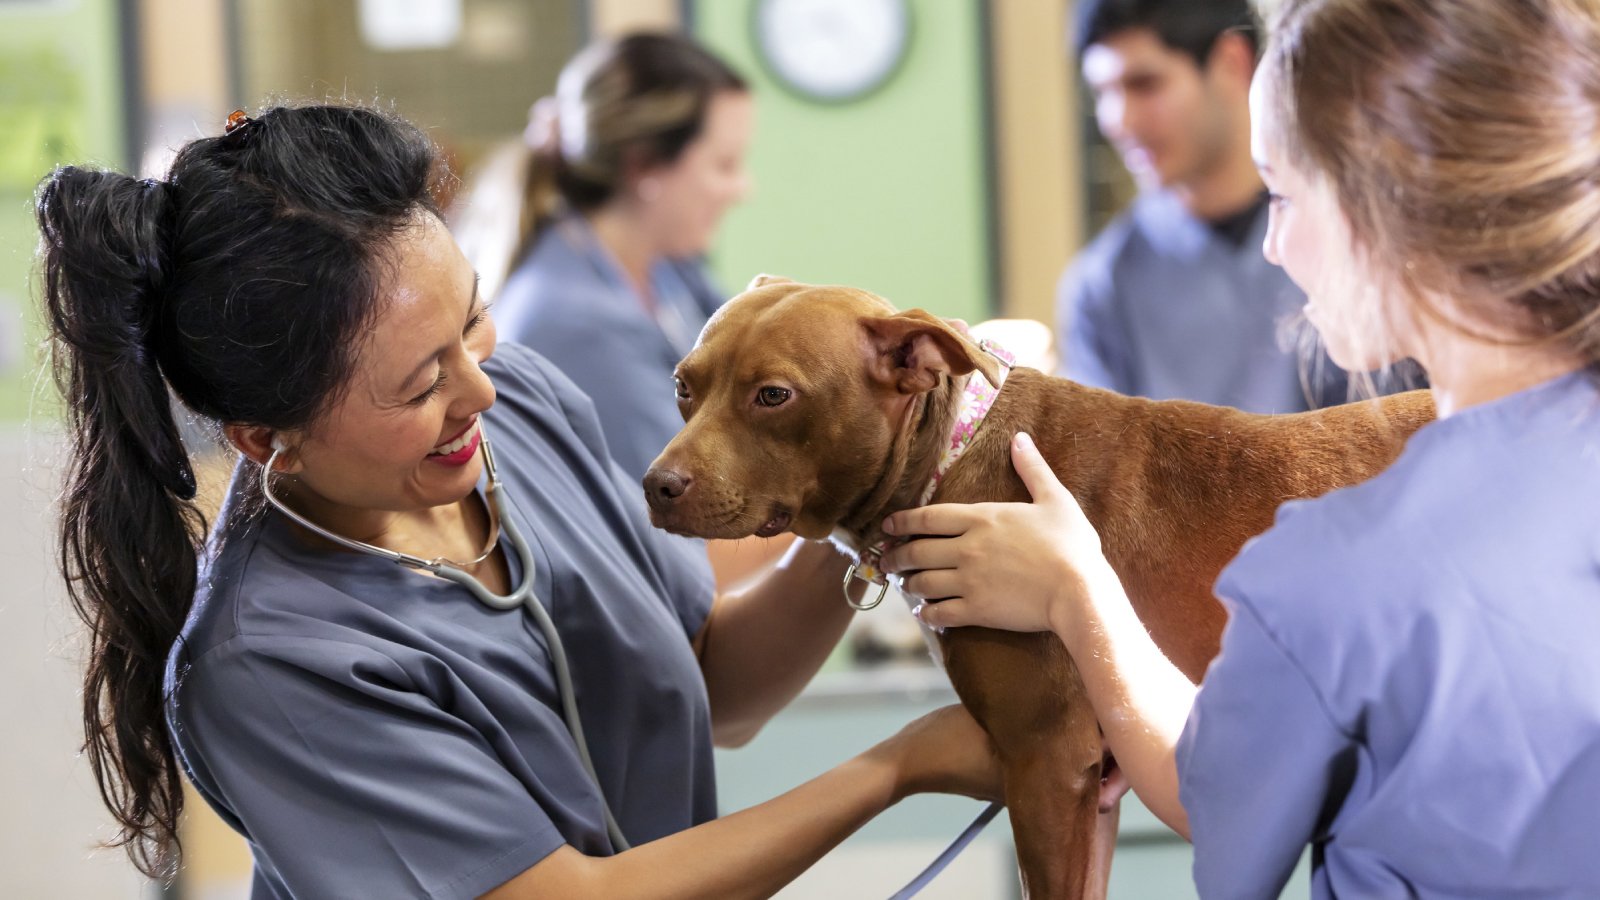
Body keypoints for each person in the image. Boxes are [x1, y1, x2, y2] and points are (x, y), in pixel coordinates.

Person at [37, 103, 999, 897]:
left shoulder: (522, 406)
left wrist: (864, 504)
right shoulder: (274, 663)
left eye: (473, 319)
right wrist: (900, 767)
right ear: (264, 439)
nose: (482, 389)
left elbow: (714, 685)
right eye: (420, 385)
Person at [884, 0, 1600, 896]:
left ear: (1382, 204)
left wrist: (1079, 594)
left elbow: (1213, 793)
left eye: (1287, 194)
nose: (1273, 241)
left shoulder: (1335, 570)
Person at [455, 32, 748, 485]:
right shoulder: (577, 323)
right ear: (645, 165)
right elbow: (683, 524)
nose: (741, 189)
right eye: (725, 165)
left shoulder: (673, 271)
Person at [1059, 0, 1354, 413]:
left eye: (1144, 84)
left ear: (1232, 63)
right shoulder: (1104, 288)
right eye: (1102, 92)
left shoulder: (1353, 237)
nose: (1119, 120)